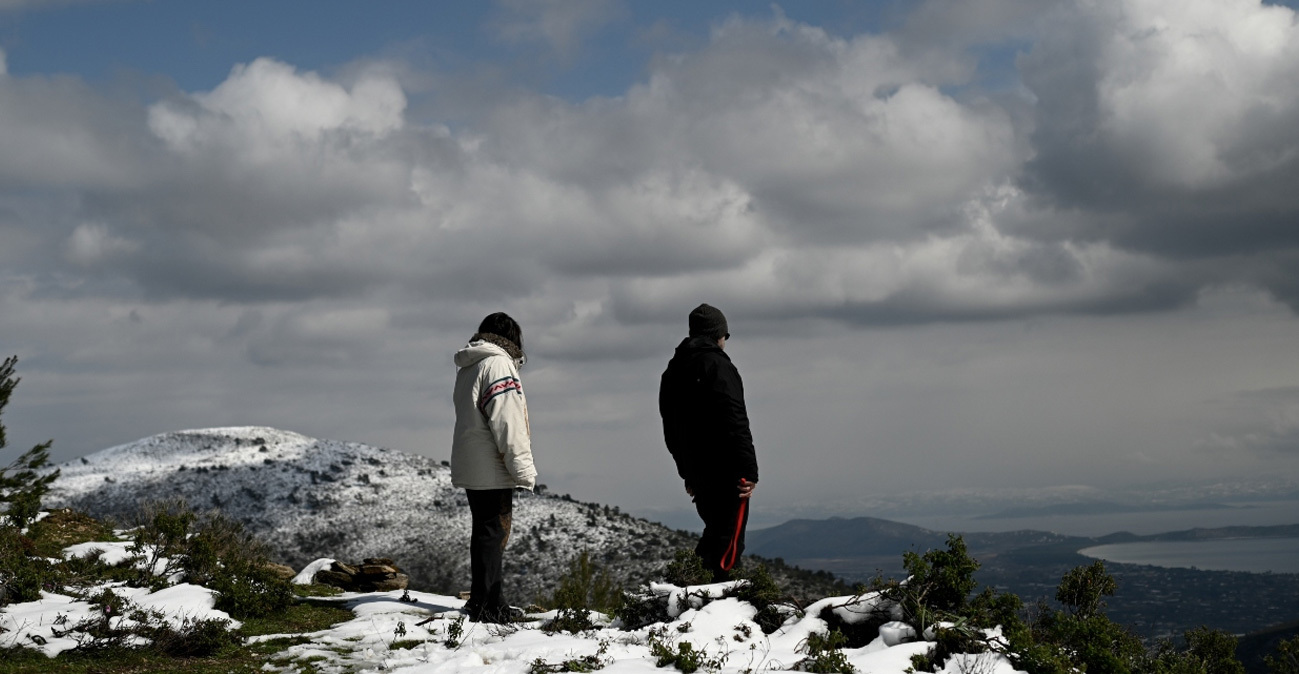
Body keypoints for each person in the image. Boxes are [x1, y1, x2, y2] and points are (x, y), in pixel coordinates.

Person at [659, 303, 759, 581]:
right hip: (727, 471)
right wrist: (749, 471)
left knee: (716, 534)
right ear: (718, 334)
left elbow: (671, 429)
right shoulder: (718, 365)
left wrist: (687, 472)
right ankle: (711, 597)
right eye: (725, 335)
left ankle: (689, 588)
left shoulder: (673, 370)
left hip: (698, 474)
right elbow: (735, 419)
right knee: (728, 545)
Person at [451, 312, 537, 622]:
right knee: (494, 532)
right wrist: (523, 469)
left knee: (484, 532)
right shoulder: (498, 364)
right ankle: (486, 606)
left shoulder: (470, 365)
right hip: (492, 463)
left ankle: (489, 600)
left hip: (472, 460)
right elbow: (507, 423)